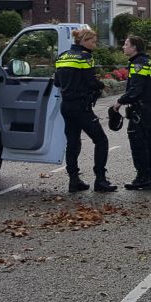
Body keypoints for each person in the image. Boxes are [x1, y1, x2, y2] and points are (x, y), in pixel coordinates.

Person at [54, 27, 115, 193]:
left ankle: (74, 181)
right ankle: (100, 180)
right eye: (93, 41)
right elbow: (91, 82)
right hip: (82, 107)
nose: (95, 45)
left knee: (73, 143)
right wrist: (101, 85)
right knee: (101, 140)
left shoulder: (62, 57)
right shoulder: (86, 57)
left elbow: (56, 83)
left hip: (66, 106)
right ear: (84, 41)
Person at [111, 34, 151, 190]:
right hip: (149, 108)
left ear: (134, 48)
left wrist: (120, 101)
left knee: (139, 145)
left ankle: (142, 178)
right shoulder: (149, 61)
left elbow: (135, 90)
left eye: (126, 44)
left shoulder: (138, 64)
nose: (123, 47)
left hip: (141, 109)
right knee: (148, 143)